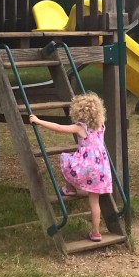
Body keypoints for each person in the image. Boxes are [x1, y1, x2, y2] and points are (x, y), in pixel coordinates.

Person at [28, 91, 112, 242]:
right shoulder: (101, 126)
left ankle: (70, 189)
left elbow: (59, 128)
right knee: (95, 202)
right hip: (102, 169)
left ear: (78, 112)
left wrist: (39, 121)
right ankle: (96, 233)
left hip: (88, 167)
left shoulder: (81, 127)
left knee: (67, 160)